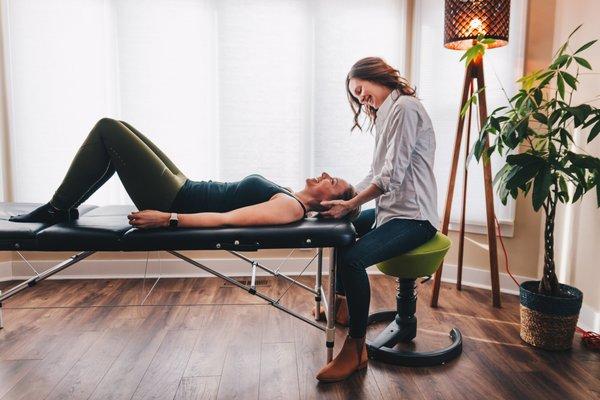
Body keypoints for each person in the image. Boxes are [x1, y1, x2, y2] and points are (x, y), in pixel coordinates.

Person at [315, 57, 439, 382]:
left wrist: (352, 202)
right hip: (392, 212)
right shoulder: (387, 114)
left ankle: (356, 348)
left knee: (353, 260)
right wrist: (344, 199)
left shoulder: (405, 109)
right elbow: (376, 172)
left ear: (374, 75)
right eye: (356, 98)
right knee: (341, 230)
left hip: (415, 218)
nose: (361, 99)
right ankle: (343, 309)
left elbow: (392, 176)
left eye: (360, 90)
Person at [9, 118, 356, 228]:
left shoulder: (291, 208)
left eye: (334, 181)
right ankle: (65, 206)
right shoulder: (289, 194)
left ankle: (57, 208)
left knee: (107, 129)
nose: (326, 174)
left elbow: (227, 220)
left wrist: (168, 218)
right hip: (184, 185)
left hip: (174, 198)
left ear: (329, 202)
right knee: (117, 133)